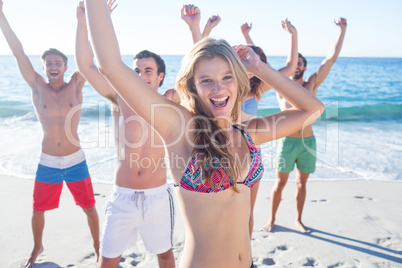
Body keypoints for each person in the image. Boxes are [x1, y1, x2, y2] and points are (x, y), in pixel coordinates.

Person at [84, 1, 324, 267]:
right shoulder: (181, 130)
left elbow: (313, 109)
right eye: (206, 80)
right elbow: (111, 66)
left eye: (228, 77)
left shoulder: (249, 133)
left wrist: (259, 67)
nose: (219, 89)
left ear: (240, 80)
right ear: (193, 87)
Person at [182, 4, 299, 237]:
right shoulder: (221, 88)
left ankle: (246, 250)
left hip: (248, 146)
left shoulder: (257, 89)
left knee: (247, 209)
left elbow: (289, 69)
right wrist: (198, 29)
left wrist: (292, 37)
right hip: (218, 144)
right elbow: (200, 65)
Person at [75, 1, 175, 267]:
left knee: (165, 255)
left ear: (160, 76)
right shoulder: (118, 97)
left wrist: (196, 29)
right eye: (136, 71)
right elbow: (86, 65)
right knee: (107, 259)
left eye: (148, 71)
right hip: (122, 197)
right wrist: (82, 22)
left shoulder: (170, 100)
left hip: (157, 196)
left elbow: (197, 80)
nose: (141, 75)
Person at [0, 1, 99, 267]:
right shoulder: (36, 87)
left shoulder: (77, 85)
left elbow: (87, 57)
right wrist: (1, 16)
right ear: (43, 67)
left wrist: (84, 22)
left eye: (58, 62)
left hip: (75, 159)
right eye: (49, 63)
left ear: (66, 67)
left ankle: (98, 246)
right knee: (37, 210)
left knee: (89, 207)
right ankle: (37, 246)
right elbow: (18, 51)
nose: (53, 66)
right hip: (47, 161)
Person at [263, 18, 347, 234]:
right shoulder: (281, 86)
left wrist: (342, 30)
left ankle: (298, 220)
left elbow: (331, 59)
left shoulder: (312, 84)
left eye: (301, 63)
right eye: (295, 63)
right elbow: (260, 66)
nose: (297, 66)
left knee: (302, 184)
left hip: (308, 143)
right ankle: (271, 219)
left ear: (305, 67)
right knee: (280, 184)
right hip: (287, 143)